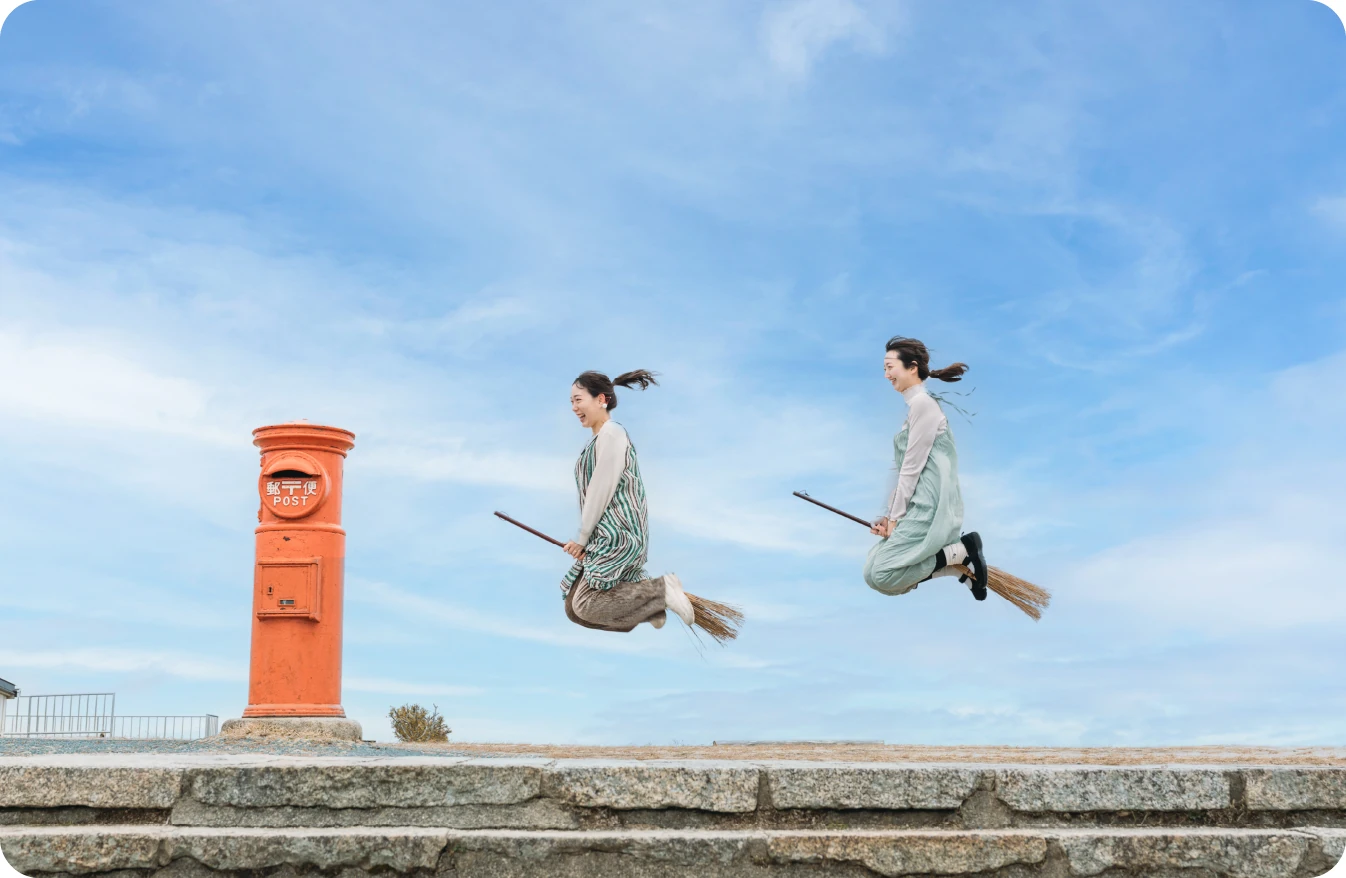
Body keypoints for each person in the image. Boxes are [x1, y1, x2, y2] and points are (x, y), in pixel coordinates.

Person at [559, 369, 697, 632]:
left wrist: (582, 537)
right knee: (574, 611)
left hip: (620, 534)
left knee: (587, 605)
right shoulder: (596, 441)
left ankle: (661, 591)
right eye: (571, 402)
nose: (574, 407)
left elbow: (602, 488)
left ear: (601, 399)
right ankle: (648, 607)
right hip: (604, 534)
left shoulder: (612, 433)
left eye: (578, 400)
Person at [863, 337, 990, 601]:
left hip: (928, 508)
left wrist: (895, 519)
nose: (886, 375)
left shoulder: (924, 405)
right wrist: (886, 516)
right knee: (871, 573)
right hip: (914, 505)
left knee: (882, 575)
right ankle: (957, 568)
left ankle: (962, 551)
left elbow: (911, 468)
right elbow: (899, 469)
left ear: (911, 367)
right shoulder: (913, 409)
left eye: (890, 367)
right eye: (884, 369)